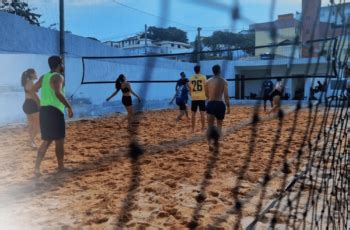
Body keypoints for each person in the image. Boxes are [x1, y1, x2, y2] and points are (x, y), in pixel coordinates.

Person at [31, 56, 74, 176]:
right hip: (54, 112)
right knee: (59, 140)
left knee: (47, 140)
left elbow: (33, 90)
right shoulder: (58, 76)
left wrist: (40, 103)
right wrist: (69, 106)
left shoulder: (44, 77)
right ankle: (61, 167)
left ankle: (36, 169)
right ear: (59, 64)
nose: (64, 65)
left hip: (44, 111)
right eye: (63, 63)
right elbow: (58, 93)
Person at [205, 65, 230, 149]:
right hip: (220, 104)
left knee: (210, 126)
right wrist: (228, 107)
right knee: (219, 125)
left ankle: (209, 144)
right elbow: (226, 96)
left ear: (213, 71)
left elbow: (206, 95)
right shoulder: (224, 81)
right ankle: (216, 142)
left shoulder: (207, 82)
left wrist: (210, 99)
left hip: (211, 104)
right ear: (219, 70)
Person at [21, 68, 40, 148]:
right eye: (35, 73)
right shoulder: (31, 82)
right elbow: (34, 95)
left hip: (27, 104)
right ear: (32, 74)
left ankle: (31, 141)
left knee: (31, 125)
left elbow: (31, 92)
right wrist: (40, 103)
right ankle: (31, 141)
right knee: (38, 126)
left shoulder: (27, 82)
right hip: (32, 104)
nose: (37, 74)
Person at [189, 65, 207, 132]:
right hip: (202, 97)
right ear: (199, 70)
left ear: (194, 70)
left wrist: (191, 93)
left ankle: (192, 129)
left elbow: (190, 88)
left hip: (194, 97)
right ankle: (203, 128)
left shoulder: (191, 78)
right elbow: (206, 86)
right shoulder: (203, 77)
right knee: (202, 113)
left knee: (193, 114)